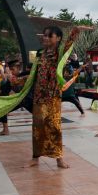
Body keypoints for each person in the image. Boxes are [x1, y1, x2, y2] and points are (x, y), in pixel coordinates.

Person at [28, 26, 79, 169]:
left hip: (53, 96)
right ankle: (35, 158)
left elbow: (68, 45)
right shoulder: (39, 54)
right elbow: (32, 73)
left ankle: (59, 158)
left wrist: (75, 32)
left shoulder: (60, 54)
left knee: (55, 126)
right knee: (38, 127)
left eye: (50, 36)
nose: (45, 38)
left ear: (58, 39)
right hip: (39, 95)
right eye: (44, 35)